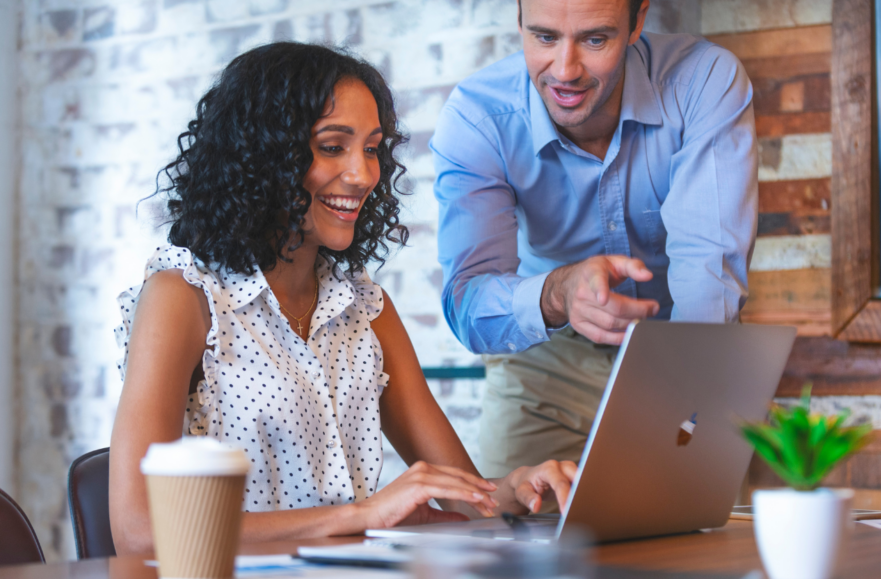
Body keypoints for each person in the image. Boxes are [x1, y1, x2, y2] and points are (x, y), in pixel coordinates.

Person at [109, 42, 575, 556]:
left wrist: (515, 490)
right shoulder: (184, 296)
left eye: (372, 149)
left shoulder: (365, 308)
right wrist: (361, 516)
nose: (363, 174)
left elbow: (468, 498)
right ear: (264, 156)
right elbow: (139, 529)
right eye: (333, 146)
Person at [432, 0, 758, 478]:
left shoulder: (703, 81)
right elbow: (469, 305)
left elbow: (709, 279)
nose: (565, 71)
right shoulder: (479, 118)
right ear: (519, 20)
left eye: (595, 39)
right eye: (544, 37)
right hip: (545, 363)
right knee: (519, 540)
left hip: (682, 346)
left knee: (701, 539)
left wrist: (689, 419)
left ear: (637, 21)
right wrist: (559, 292)